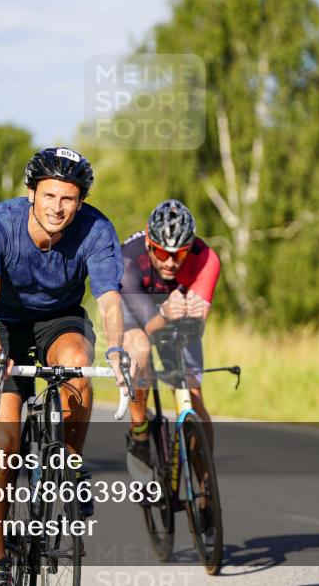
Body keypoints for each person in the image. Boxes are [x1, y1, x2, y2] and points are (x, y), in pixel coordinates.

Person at [0, 147, 135, 586]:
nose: (58, 208)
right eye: (50, 196)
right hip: (0, 323)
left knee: (77, 363)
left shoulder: (96, 229)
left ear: (80, 201)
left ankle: (70, 464)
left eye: (69, 199)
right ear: (31, 193)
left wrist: (116, 348)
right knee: (5, 439)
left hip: (59, 319)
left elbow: (109, 297)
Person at [119, 199, 221, 472]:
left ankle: (203, 482)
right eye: (162, 253)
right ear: (150, 243)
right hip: (136, 303)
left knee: (193, 391)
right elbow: (146, 323)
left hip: (174, 310)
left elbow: (196, 327)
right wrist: (163, 314)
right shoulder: (128, 259)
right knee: (139, 352)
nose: (171, 263)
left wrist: (195, 315)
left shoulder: (206, 259)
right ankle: (139, 429)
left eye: (180, 254)